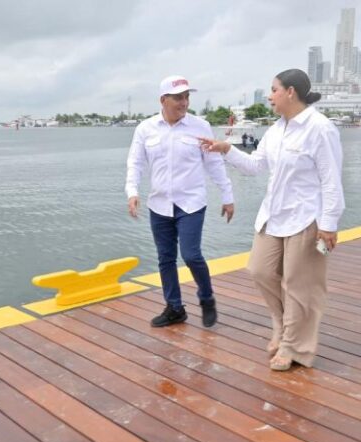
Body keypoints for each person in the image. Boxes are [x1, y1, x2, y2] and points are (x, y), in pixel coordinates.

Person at [199, 68, 345, 370]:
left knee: (299, 284)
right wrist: (226, 150)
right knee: (259, 270)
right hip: (274, 214)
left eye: (273, 89)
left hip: (307, 217)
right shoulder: (277, 129)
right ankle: (281, 325)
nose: (269, 95)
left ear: (290, 92)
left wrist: (329, 224)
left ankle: (294, 347)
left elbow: (331, 180)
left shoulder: (320, 128)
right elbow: (255, 166)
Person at [126, 75, 235, 328]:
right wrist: (132, 192)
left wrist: (227, 196)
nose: (184, 102)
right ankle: (175, 308)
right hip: (159, 204)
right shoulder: (145, 129)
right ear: (163, 100)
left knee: (191, 254)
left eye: (187, 97)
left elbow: (214, 164)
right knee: (165, 258)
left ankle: (206, 298)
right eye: (178, 97)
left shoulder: (200, 126)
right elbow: (135, 163)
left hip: (191, 203)